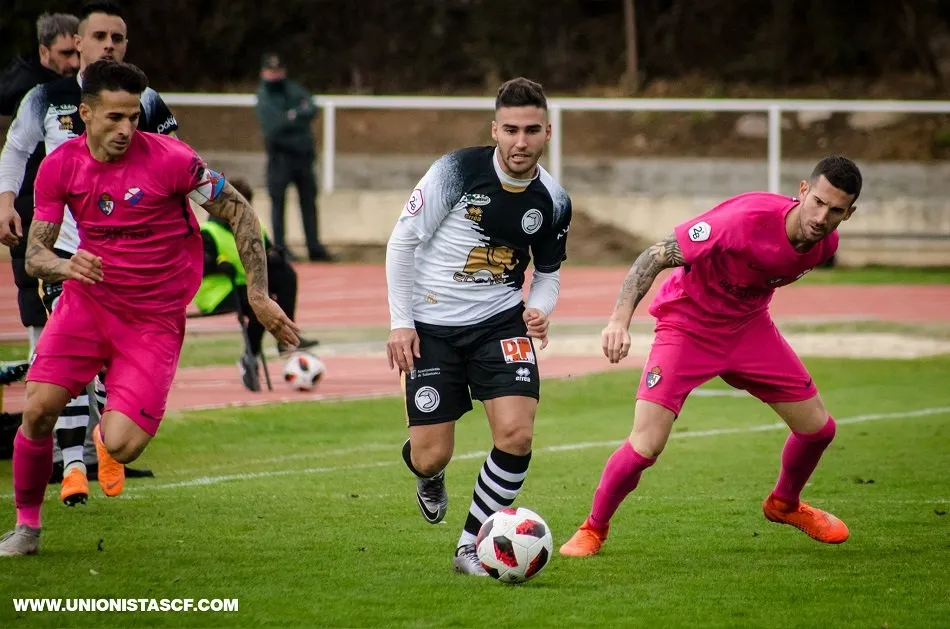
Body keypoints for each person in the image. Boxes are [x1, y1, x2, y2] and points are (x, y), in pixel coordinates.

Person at [0, 59, 299, 557]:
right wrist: (65, 268)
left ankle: (105, 432)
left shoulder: (172, 159)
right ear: (86, 113)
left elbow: (239, 212)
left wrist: (258, 295)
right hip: (86, 305)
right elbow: (34, 255)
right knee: (36, 410)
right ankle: (27, 529)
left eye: (133, 117)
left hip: (153, 320)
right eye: (114, 117)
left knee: (122, 445)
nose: (126, 129)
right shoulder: (59, 165)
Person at [558, 156, 862, 558]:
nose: (823, 217)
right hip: (687, 326)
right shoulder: (744, 219)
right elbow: (654, 256)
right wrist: (618, 321)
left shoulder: (827, 245)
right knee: (647, 444)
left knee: (819, 430)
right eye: (818, 202)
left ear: (849, 213)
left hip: (750, 330)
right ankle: (593, 528)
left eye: (836, 210)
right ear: (803, 191)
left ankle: (784, 504)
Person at [385, 77, 573, 576]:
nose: (520, 141)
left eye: (531, 130)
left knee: (516, 435)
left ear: (547, 132)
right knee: (430, 455)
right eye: (510, 129)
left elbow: (549, 273)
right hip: (432, 329)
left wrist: (539, 307)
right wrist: (401, 324)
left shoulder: (553, 199)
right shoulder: (455, 171)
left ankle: (470, 545)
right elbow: (401, 243)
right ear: (495, 129)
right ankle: (429, 475)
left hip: (500, 324)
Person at [0, 0, 179, 507]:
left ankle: (99, 445)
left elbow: (175, 164)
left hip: (133, 263)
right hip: (67, 252)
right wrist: (5, 202)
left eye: (118, 39)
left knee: (112, 365)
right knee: (63, 358)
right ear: (77, 43)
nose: (108, 45)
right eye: (99, 36)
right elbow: (14, 151)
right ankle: (73, 465)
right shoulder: (46, 98)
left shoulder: (145, 101)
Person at [0, 12, 80, 357]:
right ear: (43, 52)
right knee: (38, 301)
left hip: (69, 210)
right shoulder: (35, 93)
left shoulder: (81, 90)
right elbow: (14, 149)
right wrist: (7, 202)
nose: (73, 62)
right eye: (65, 54)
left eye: (77, 53)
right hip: (32, 206)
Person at [195, 177, 319, 392]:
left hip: (249, 287)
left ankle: (286, 336)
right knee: (259, 303)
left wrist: (274, 256)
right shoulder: (208, 232)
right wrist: (217, 266)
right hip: (218, 293)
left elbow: (268, 250)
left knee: (285, 275)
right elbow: (197, 266)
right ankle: (250, 356)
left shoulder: (253, 225)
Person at [254, 53, 333, 262]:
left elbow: (311, 107)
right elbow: (274, 127)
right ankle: (280, 247)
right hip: (280, 159)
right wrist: (296, 117)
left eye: (278, 70)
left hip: (303, 158)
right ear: (264, 73)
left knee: (309, 201)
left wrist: (291, 116)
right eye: (271, 71)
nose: (275, 75)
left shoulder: (292, 88)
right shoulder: (264, 95)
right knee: (278, 203)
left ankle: (314, 246)